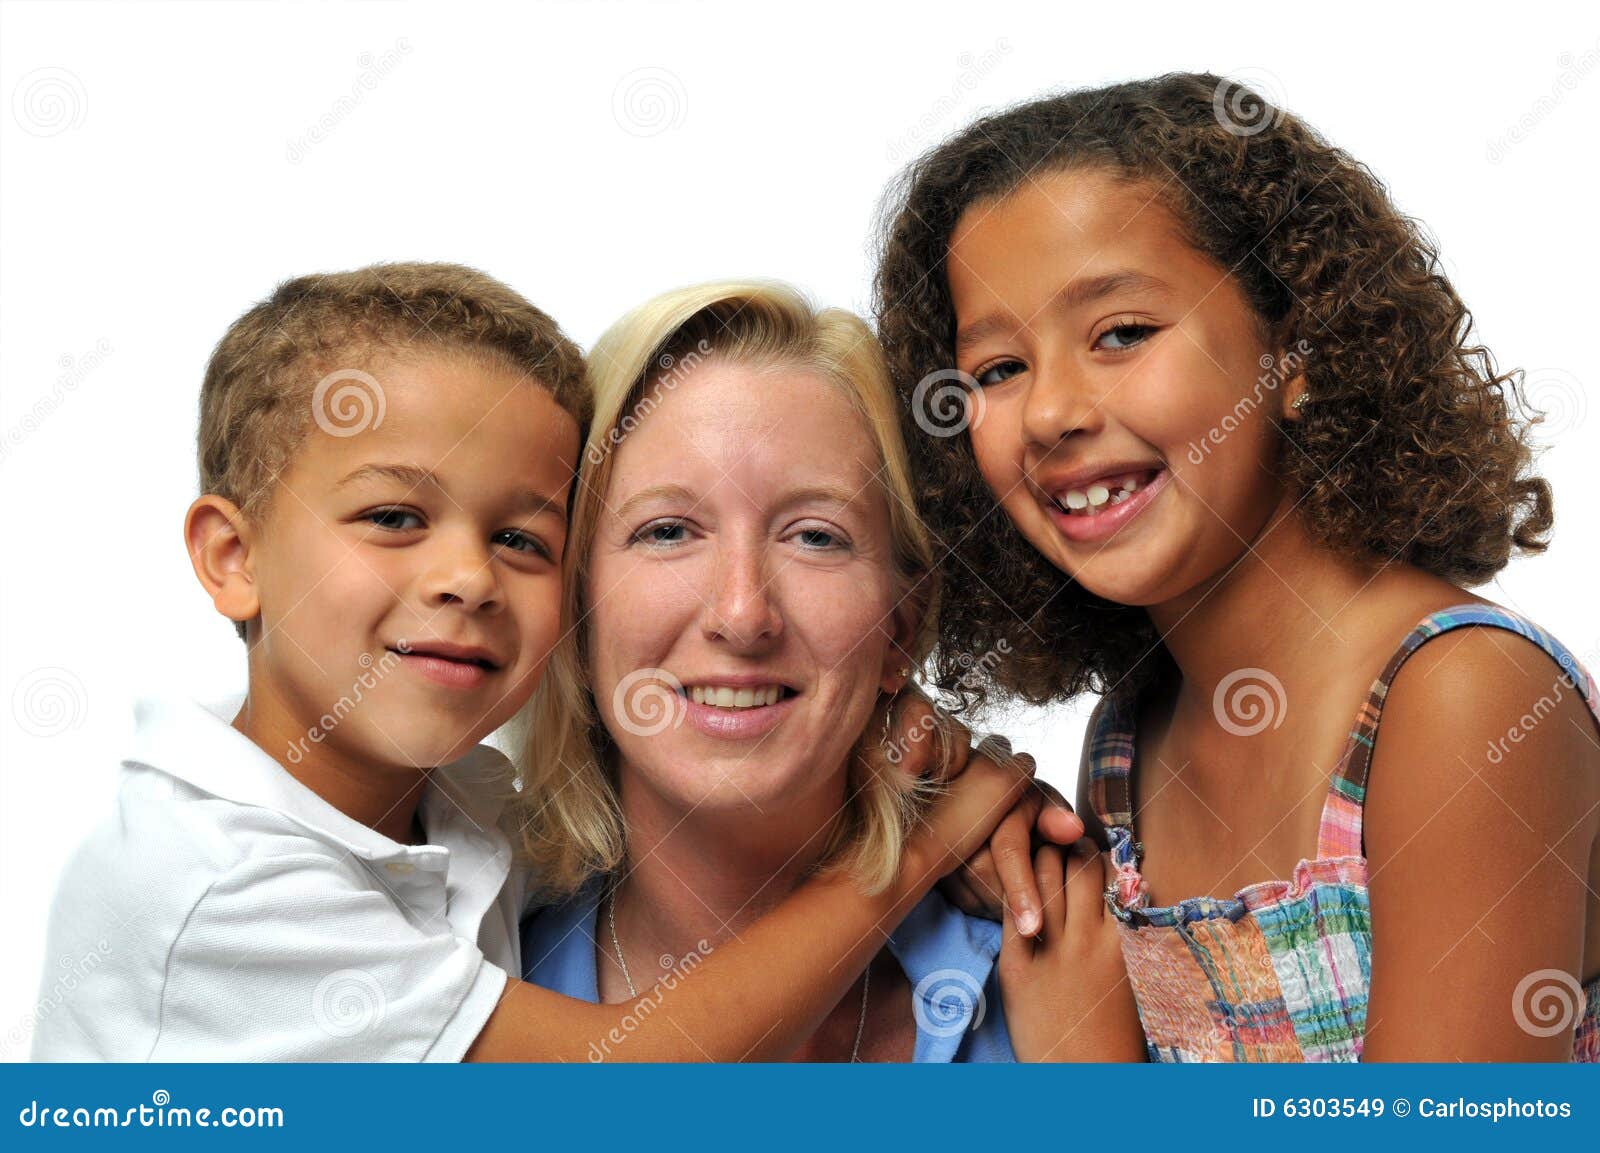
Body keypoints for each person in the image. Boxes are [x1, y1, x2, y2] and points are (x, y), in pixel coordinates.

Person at [875, 74, 1600, 1061]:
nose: (1048, 413)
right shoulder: (1126, 747)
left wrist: (1084, 1071)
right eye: (997, 370)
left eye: (1121, 333)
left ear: (1295, 347)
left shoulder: (1460, 700)